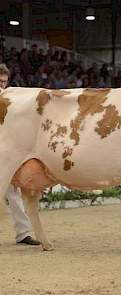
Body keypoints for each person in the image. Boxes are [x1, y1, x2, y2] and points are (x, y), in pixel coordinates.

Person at [0, 63, 40, 245]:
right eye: (0, 81)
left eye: (4, 82)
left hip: (6, 152)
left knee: (13, 192)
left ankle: (23, 233)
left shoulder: (8, 100)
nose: (2, 86)